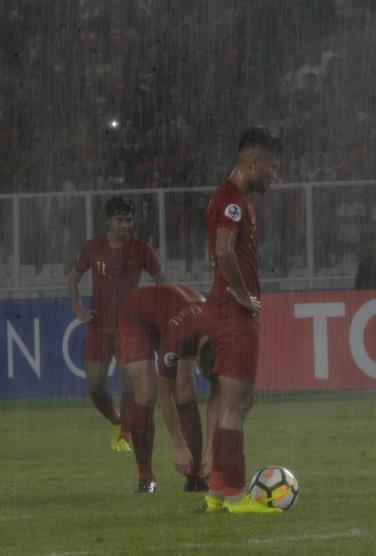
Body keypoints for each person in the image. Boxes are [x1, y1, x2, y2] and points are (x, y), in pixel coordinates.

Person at [201, 126, 283, 514]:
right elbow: (223, 250)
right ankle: (236, 495)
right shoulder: (233, 200)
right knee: (237, 404)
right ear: (253, 163)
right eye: (271, 167)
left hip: (224, 309)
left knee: (234, 404)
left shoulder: (228, 197)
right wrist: (241, 295)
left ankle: (218, 491)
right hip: (233, 313)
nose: (274, 175)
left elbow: (215, 250)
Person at [67, 197, 165, 452]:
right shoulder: (93, 248)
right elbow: (72, 280)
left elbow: (163, 285)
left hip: (129, 326)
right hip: (99, 326)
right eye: (119, 220)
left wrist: (157, 314)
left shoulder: (142, 250)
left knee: (128, 381)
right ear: (107, 221)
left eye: (129, 220)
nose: (125, 225)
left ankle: (124, 435)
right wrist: (78, 310)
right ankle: (115, 419)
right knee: (96, 386)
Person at [116, 283, 218, 493]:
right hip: (137, 314)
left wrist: (212, 449)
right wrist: (178, 445)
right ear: (198, 359)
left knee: (186, 385)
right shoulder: (177, 338)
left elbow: (219, 394)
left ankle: (196, 474)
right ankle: (146, 478)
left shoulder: (222, 334)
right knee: (147, 389)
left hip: (176, 310)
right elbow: (166, 394)